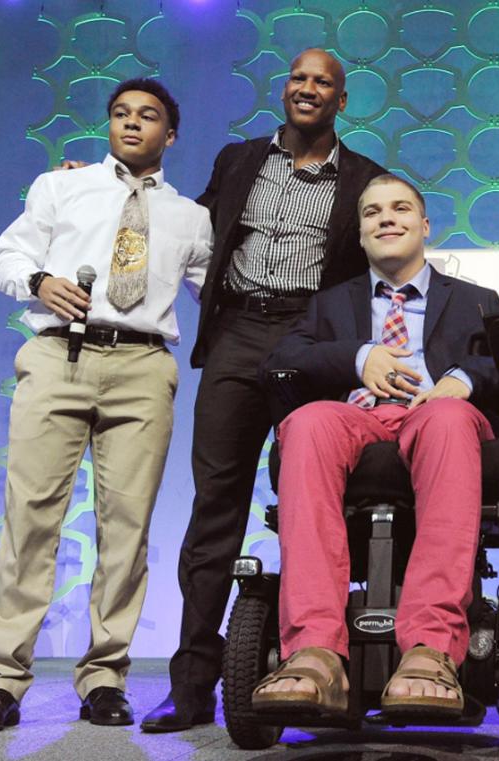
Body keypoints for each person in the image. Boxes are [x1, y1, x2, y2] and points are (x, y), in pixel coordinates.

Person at [0, 79, 212, 735]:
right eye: (121, 113)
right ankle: (0, 679)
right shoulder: (60, 187)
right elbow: (9, 253)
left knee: (126, 530)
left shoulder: (190, 216)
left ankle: (104, 677)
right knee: (29, 519)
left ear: (170, 135)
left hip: (144, 364)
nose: (131, 123)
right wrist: (39, 280)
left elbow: (218, 294)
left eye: (147, 115)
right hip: (57, 354)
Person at [140, 49, 387, 732]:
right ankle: (192, 684)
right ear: (286, 90)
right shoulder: (238, 160)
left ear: (342, 100)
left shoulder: (366, 178)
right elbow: (184, 229)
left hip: (315, 340)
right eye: (298, 79)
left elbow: (389, 260)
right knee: (216, 504)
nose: (307, 89)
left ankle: (323, 662)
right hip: (239, 333)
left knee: (323, 500)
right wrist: (99, 197)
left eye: (322, 83)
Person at [250, 173, 499, 718]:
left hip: (437, 416)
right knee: (309, 421)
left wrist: (461, 377)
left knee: (446, 418)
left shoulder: (475, 300)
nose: (386, 219)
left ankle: (430, 648)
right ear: (362, 235)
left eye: (400, 209)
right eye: (372, 213)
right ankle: (316, 652)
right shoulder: (330, 304)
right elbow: (282, 359)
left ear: (424, 226)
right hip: (356, 417)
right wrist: (357, 355)